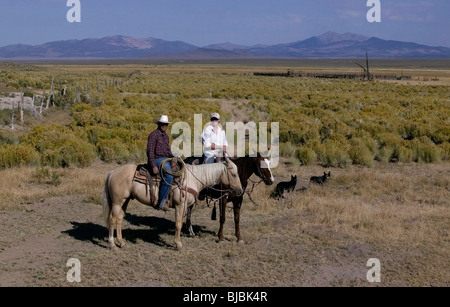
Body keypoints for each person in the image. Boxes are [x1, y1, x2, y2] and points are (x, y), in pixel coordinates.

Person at [147, 115, 174, 211]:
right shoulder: (153, 135)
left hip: (165, 158)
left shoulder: (166, 136)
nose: (164, 126)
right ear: (159, 124)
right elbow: (150, 151)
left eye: (166, 124)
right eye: (162, 124)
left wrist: (174, 156)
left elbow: (167, 151)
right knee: (169, 175)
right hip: (157, 159)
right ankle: (161, 202)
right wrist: (153, 165)